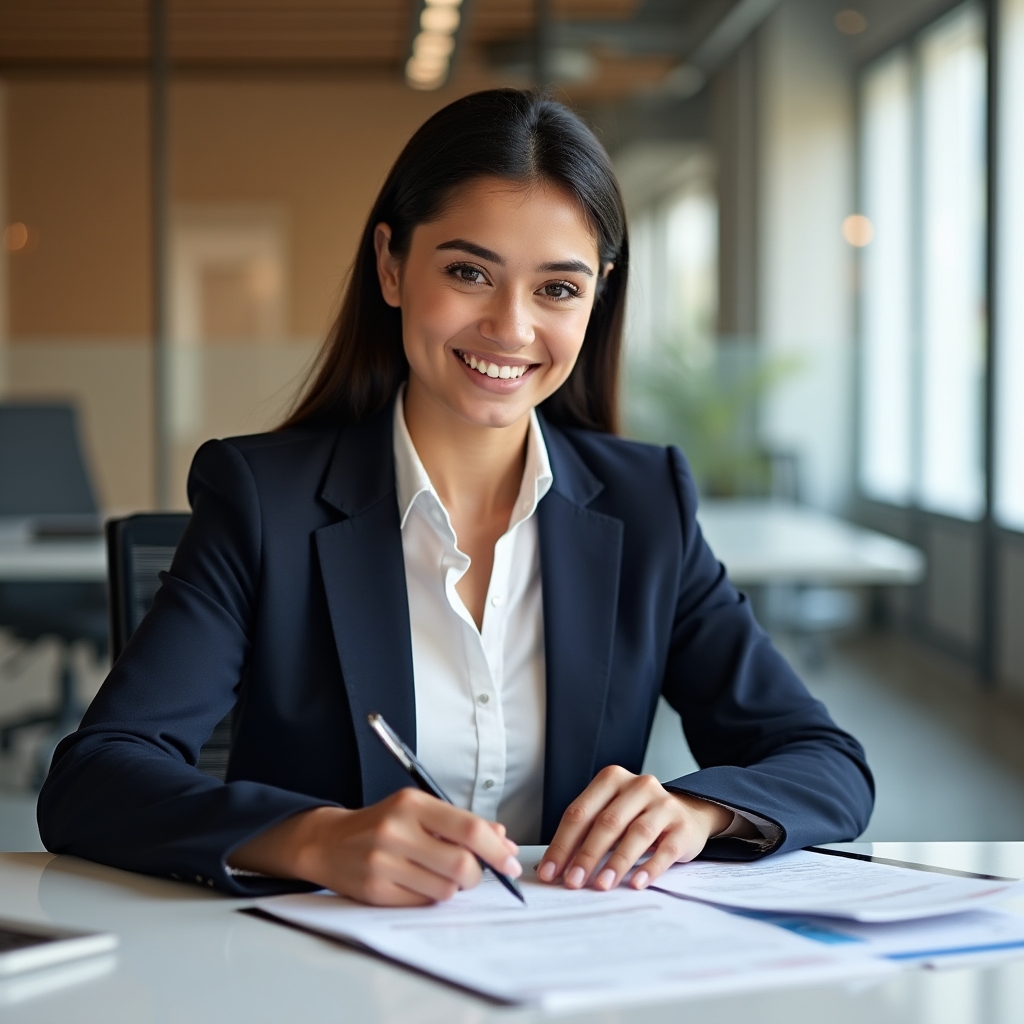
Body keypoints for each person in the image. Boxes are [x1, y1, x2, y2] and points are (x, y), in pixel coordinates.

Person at [38, 89, 873, 906]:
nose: (511, 328)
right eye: (470, 272)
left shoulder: (645, 505)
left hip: (564, 969)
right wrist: (315, 839)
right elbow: (97, 778)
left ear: (597, 297)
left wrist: (695, 813)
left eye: (557, 288)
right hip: (320, 970)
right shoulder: (266, 501)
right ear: (391, 265)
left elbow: (823, 762)